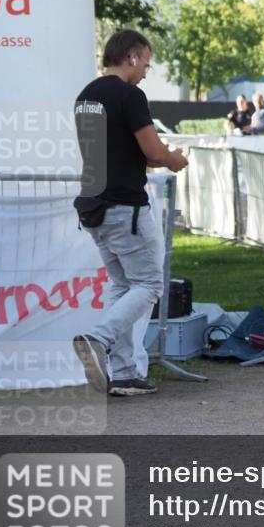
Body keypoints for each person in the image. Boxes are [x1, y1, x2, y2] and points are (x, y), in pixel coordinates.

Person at [72, 29, 188, 397]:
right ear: (133, 57)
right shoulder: (129, 95)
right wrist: (174, 159)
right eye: (146, 65)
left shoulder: (85, 96)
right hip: (125, 206)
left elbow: (114, 151)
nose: (145, 74)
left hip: (93, 206)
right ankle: (98, 338)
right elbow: (154, 152)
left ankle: (122, 373)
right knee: (150, 284)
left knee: (123, 286)